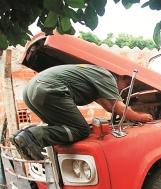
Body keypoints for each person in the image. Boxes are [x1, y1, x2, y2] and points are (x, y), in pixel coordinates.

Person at [11, 64, 153, 160]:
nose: (126, 89)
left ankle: (21, 136)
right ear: (122, 77)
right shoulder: (108, 77)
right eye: (127, 85)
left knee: (61, 129)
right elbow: (119, 107)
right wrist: (142, 117)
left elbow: (110, 107)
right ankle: (33, 135)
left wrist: (127, 115)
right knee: (80, 129)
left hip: (31, 89)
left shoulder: (96, 76)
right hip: (48, 89)